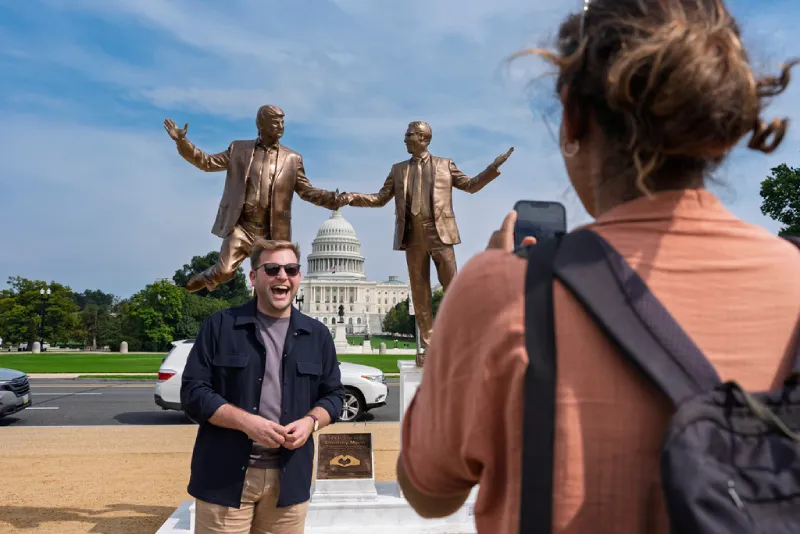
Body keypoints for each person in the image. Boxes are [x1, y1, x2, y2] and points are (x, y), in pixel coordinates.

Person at [396, 0, 800, 532]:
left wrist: (474, 305)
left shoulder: (502, 290)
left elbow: (429, 492)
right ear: (718, 123)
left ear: (573, 116)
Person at [181, 238, 344, 534]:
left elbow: (334, 396)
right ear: (254, 277)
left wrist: (311, 422)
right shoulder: (221, 326)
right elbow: (193, 393)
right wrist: (246, 423)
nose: (282, 276)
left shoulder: (318, 335)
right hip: (225, 476)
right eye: (272, 268)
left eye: (291, 269)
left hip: (289, 479)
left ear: (299, 277)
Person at [339, 121, 513, 357]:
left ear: (423, 138)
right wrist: (353, 197)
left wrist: (493, 167)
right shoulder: (398, 169)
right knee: (420, 294)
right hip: (412, 236)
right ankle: (429, 344)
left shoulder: (445, 165)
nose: (404, 139)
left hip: (439, 233)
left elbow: (471, 186)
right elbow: (380, 198)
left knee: (453, 288)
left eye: (409, 135)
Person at [163, 105, 343, 294]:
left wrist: (333, 198)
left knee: (271, 283)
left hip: (270, 234)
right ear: (262, 125)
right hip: (242, 228)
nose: (281, 126)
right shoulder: (239, 149)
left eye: (283, 121)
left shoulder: (292, 158)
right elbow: (206, 163)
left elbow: (307, 192)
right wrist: (182, 142)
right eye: (276, 122)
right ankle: (201, 279)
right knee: (224, 272)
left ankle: (262, 318)